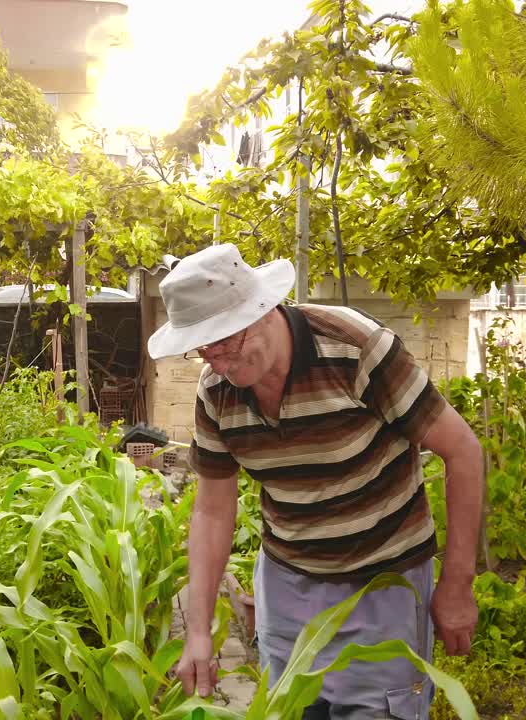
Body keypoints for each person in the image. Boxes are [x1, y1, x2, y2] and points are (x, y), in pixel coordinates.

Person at [147, 244, 483, 719]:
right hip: (288, 587)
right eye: (204, 349)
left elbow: (463, 451)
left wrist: (456, 583)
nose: (219, 364)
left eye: (226, 343)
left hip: (381, 587)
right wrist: (198, 630)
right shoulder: (216, 391)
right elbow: (212, 508)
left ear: (261, 309)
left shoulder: (355, 347)